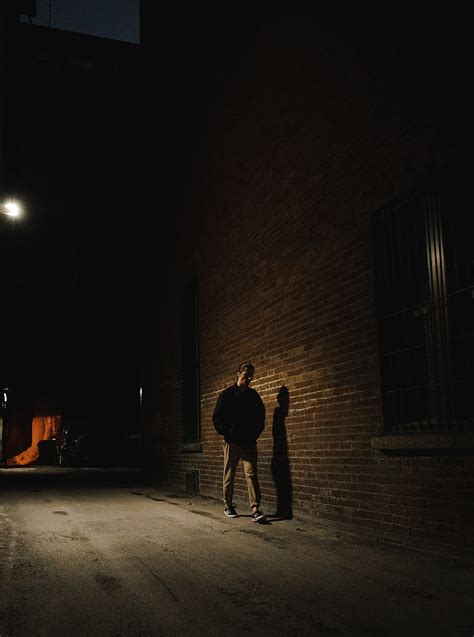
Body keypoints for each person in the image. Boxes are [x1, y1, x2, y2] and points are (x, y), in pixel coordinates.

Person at [212, 362, 266, 522]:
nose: (248, 378)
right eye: (246, 375)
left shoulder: (253, 396)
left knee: (251, 474)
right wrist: (227, 433)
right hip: (232, 442)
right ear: (238, 373)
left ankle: (255, 509)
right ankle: (228, 506)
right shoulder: (227, 394)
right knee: (229, 474)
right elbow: (217, 417)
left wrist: (254, 434)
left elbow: (260, 417)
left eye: (251, 376)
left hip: (248, 442)